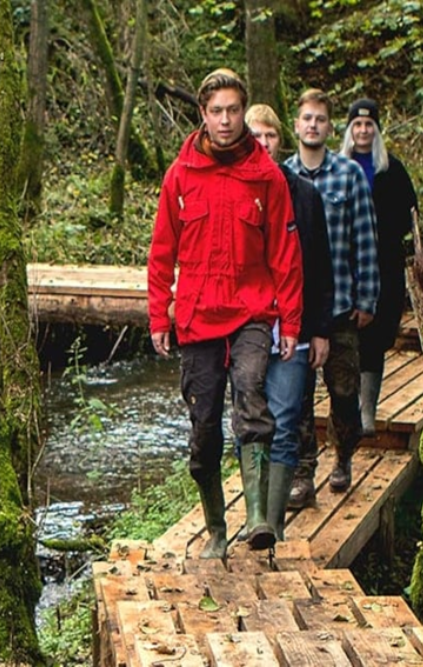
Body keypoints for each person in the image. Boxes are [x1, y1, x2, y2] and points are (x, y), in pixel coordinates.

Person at [148, 69, 303, 558]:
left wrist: (292, 324)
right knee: (204, 426)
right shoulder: (180, 175)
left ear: (244, 112)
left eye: (234, 110)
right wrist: (158, 316)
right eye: (216, 111)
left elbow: (286, 252)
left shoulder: (267, 176)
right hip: (196, 318)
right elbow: (160, 252)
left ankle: (258, 519)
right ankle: (217, 529)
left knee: (253, 396)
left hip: (253, 312)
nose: (226, 120)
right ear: (202, 115)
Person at [283, 88, 379, 506]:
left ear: (329, 126)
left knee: (343, 393)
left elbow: (366, 238)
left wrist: (368, 298)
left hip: (341, 306)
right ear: (297, 124)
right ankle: (303, 475)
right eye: (306, 119)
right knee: (299, 397)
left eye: (320, 119)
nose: (313, 126)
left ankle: (343, 456)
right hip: (297, 311)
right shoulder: (283, 176)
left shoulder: (348, 176)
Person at [243, 104, 334, 542]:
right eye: (254, 137)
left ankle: (271, 527)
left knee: (285, 417)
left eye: (270, 137)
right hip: (245, 327)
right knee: (249, 417)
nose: (262, 145)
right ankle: (254, 513)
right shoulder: (232, 188)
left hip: (294, 326)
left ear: (281, 141)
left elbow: (319, 265)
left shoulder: (303, 193)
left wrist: (319, 329)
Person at [340, 98, 418, 436]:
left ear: (377, 129)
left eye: (368, 125)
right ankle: (348, 408)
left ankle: (367, 412)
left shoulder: (392, 170)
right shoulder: (337, 169)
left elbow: (411, 216)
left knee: (377, 337)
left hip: (385, 267)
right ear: (348, 130)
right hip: (346, 268)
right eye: (356, 125)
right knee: (347, 338)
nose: (362, 131)